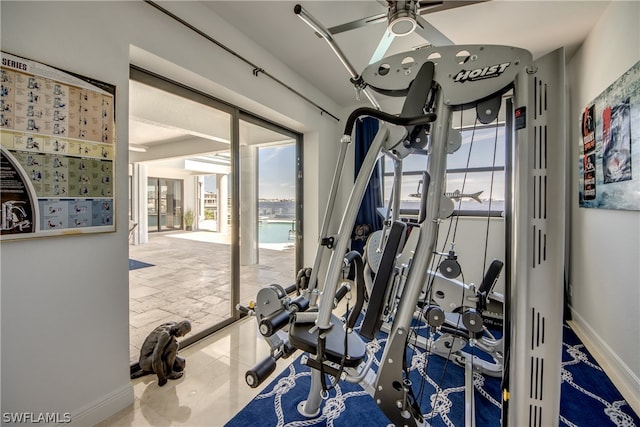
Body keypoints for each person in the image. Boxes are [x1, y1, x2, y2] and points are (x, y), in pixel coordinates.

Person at [137, 320, 191, 386]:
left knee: (181, 363)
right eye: (182, 333)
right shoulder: (165, 335)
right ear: (178, 329)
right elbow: (156, 358)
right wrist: (161, 378)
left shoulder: (173, 325)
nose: (182, 336)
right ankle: (168, 373)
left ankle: (162, 369)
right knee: (175, 345)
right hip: (146, 361)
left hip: (152, 356)